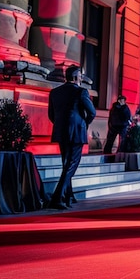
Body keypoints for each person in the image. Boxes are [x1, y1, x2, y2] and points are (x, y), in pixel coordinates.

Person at [47, 65, 96, 209]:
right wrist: (84, 124)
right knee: (71, 165)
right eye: (81, 75)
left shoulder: (55, 92)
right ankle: (57, 197)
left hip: (60, 131)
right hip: (76, 132)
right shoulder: (81, 92)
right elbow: (92, 112)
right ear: (76, 77)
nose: (82, 78)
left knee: (66, 163)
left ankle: (69, 195)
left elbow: (51, 115)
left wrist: (61, 125)